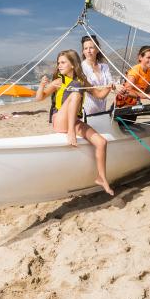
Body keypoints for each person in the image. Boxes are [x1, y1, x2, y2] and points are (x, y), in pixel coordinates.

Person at [36, 49, 114, 196]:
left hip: (74, 121)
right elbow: (39, 98)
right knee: (75, 94)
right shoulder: (59, 81)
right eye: (58, 62)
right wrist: (42, 85)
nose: (59, 65)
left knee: (101, 142)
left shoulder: (81, 82)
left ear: (73, 64)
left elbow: (100, 95)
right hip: (59, 120)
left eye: (63, 62)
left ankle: (101, 178)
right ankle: (70, 131)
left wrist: (109, 86)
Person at [80, 35, 117, 115]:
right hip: (86, 111)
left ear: (97, 49)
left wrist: (114, 86)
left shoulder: (104, 67)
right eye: (85, 48)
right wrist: (109, 86)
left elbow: (111, 82)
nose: (88, 51)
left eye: (91, 48)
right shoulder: (81, 68)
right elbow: (90, 89)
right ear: (83, 51)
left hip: (102, 109)